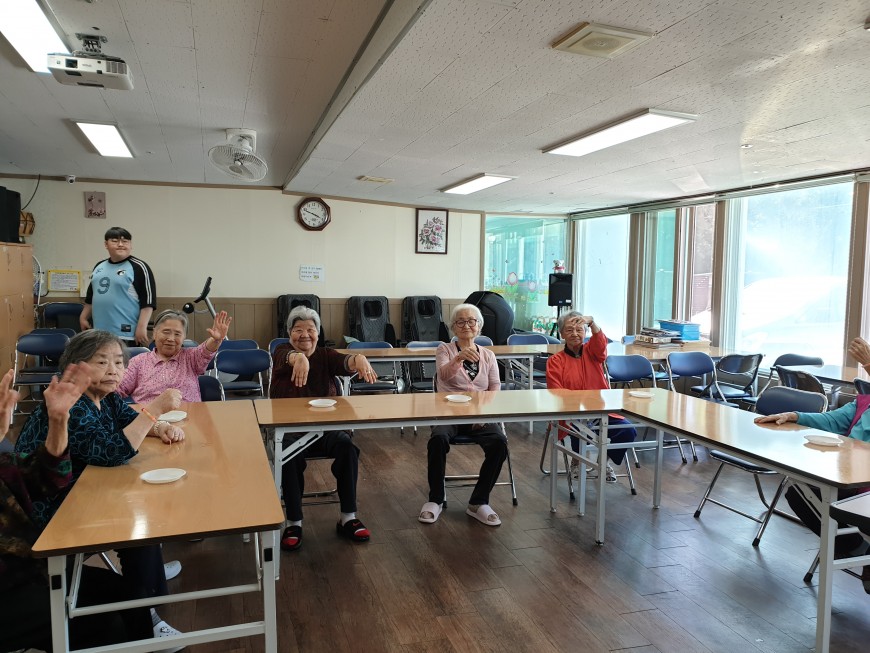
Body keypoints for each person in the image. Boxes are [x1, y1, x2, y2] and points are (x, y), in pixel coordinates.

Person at [14, 330, 187, 642]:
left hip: (82, 490)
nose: (113, 370)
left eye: (119, 362)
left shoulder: (105, 398)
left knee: (141, 506)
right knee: (135, 526)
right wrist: (155, 410)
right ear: (75, 367)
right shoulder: (73, 404)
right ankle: (146, 614)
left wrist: (159, 426)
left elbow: (128, 420)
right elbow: (113, 451)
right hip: (49, 511)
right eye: (102, 362)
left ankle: (151, 585)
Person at [270, 306, 379, 551]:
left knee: (347, 449)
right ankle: (294, 522)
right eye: (298, 330)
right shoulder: (281, 352)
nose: (305, 335)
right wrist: (299, 358)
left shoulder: (325, 355)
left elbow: (345, 361)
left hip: (325, 427)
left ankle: (348, 517)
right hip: (291, 430)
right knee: (288, 458)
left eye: (311, 329)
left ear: (318, 333)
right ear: (289, 333)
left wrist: (358, 359)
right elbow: (286, 357)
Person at [754, 381, 870, 592]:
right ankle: (856, 548)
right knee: (799, 493)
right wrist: (794, 416)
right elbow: (832, 420)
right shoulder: (863, 403)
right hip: (850, 479)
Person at [418, 304, 507, 527]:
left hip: (479, 415)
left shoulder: (488, 355)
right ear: (453, 327)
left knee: (499, 443)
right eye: (460, 321)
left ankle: (478, 502)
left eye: (471, 321)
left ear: (479, 326)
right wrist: (458, 359)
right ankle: (435, 499)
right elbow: (443, 376)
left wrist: (483, 414)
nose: (466, 325)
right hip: (448, 414)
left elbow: (495, 387)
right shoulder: (445, 349)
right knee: (438, 439)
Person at [545, 311, 637, 483]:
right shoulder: (555, 361)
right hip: (571, 413)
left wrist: (592, 322)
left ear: (585, 332)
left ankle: (604, 462)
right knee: (578, 428)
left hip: (601, 410)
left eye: (579, 329)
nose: (575, 334)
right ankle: (577, 461)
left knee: (627, 430)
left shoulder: (593, 353)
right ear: (561, 334)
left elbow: (601, 345)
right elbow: (556, 392)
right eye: (569, 330)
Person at [119, 309, 232, 403]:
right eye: (166, 332)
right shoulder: (138, 361)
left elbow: (205, 350)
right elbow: (118, 388)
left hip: (189, 417)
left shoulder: (191, 358)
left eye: (177, 334)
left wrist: (216, 340)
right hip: (150, 418)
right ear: (155, 333)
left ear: (184, 337)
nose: (171, 338)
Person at [80, 227, 157, 346]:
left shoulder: (139, 267)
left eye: (125, 241)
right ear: (106, 244)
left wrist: (141, 327)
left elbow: (148, 302)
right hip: (98, 333)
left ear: (131, 245)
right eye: (115, 241)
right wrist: (83, 317)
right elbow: (91, 297)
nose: (120, 244)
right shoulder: (99, 266)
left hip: (126, 334)